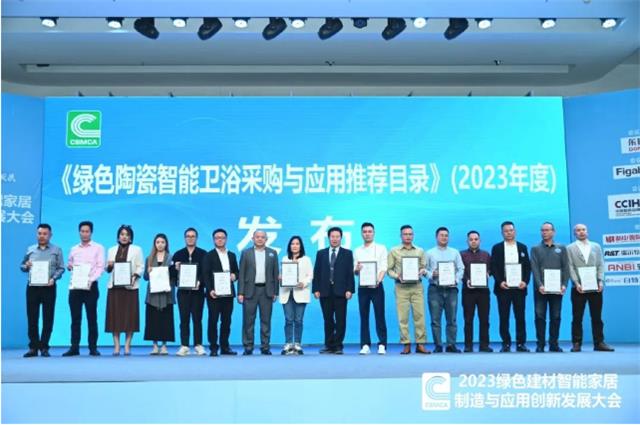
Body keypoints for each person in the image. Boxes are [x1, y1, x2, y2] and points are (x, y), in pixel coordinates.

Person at [566, 224, 614, 352]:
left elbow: (600, 264)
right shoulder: (569, 248)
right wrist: (576, 283)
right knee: (577, 317)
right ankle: (576, 343)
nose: (581, 232)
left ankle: (599, 342)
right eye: (578, 230)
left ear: (587, 231)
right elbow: (570, 267)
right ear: (574, 233)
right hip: (578, 288)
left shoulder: (596, 246)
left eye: (583, 230)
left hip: (595, 287)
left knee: (597, 316)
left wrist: (601, 281)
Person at [20, 223, 65, 357]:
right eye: (39, 233)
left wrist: (53, 279)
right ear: (37, 234)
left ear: (50, 235)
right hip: (33, 287)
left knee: (48, 317)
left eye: (45, 234)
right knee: (32, 317)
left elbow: (61, 268)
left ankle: (44, 346)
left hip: (49, 287)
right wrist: (26, 265)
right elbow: (22, 266)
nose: (42, 236)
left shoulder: (56, 250)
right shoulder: (30, 249)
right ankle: (33, 347)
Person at [63, 221, 105, 357]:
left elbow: (100, 267)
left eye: (87, 231)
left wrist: (90, 280)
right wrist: (69, 266)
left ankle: (93, 347)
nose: (84, 234)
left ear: (91, 232)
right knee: (75, 319)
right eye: (82, 231)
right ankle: (74, 347)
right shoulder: (74, 248)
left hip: (91, 287)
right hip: (75, 287)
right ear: (79, 232)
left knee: (92, 318)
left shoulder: (98, 248)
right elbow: (70, 263)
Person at [387, 225, 430, 355]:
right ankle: (406, 344)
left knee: (420, 316)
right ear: (401, 236)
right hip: (401, 287)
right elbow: (389, 270)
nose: (408, 236)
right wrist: (397, 276)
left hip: (417, 287)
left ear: (413, 235)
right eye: (405, 234)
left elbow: (424, 267)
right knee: (403, 317)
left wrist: (422, 271)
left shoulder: (420, 251)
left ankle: (420, 344)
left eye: (410, 234)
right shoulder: (394, 251)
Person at [490, 221, 532, 353]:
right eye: (506, 231)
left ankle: (521, 343)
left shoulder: (522, 247)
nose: (509, 233)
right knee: (504, 317)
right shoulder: (497, 248)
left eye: (511, 230)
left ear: (515, 231)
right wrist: (500, 282)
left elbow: (527, 267)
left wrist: (525, 282)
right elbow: (494, 267)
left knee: (520, 317)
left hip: (519, 288)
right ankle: (506, 343)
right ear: (502, 233)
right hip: (503, 288)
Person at [313, 227, 355, 355]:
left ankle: (338, 345)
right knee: (328, 319)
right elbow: (317, 272)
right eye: (332, 236)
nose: (335, 239)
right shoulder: (321, 253)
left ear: (341, 238)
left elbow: (350, 273)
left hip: (341, 291)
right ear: (328, 238)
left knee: (341, 320)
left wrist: (350, 289)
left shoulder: (347, 253)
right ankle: (329, 344)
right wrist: (316, 289)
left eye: (337, 236)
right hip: (325, 291)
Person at [238, 230, 279, 355]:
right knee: (248, 321)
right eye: (257, 237)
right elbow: (241, 274)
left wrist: (275, 292)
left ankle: (265, 346)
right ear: (252, 238)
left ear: (266, 239)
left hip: (267, 291)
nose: (260, 239)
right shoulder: (246, 253)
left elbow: (275, 273)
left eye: (262, 237)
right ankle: (248, 346)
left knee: (266, 320)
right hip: (249, 291)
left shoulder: (272, 253)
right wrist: (240, 292)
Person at [530, 222, 570, 353]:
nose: (544, 232)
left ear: (553, 232)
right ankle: (540, 344)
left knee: (556, 316)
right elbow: (534, 269)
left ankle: (554, 344)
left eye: (547, 230)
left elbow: (566, 268)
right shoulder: (535, 249)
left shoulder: (561, 248)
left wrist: (564, 284)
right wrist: (539, 285)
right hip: (540, 289)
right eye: (542, 230)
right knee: (539, 316)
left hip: (557, 289)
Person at [105, 225, 144, 356]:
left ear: (131, 238)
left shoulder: (137, 250)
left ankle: (127, 345)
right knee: (114, 317)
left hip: (130, 288)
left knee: (130, 317)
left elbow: (140, 266)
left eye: (127, 235)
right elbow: (108, 269)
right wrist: (109, 266)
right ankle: (116, 346)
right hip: (114, 288)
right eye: (122, 234)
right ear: (118, 236)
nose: (124, 237)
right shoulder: (111, 250)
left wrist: (134, 276)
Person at [202, 228, 240, 356]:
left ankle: (225, 346)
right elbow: (206, 275)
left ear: (226, 239)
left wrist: (235, 276)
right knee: (213, 320)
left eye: (222, 238)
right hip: (214, 294)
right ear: (213, 240)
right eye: (217, 238)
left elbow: (237, 271)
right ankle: (213, 347)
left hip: (228, 293)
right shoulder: (208, 255)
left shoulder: (232, 255)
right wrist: (210, 290)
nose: (220, 240)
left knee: (226, 321)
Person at [426, 227, 464, 353]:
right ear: (436, 237)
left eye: (446, 235)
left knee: (452, 319)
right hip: (435, 289)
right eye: (441, 235)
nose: (444, 237)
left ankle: (451, 344)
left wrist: (456, 280)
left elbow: (461, 269)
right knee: (435, 319)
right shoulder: (429, 253)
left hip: (451, 289)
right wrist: (432, 274)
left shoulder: (455, 252)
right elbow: (423, 269)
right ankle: (438, 345)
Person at [353, 222, 388, 355]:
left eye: (369, 231)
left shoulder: (381, 248)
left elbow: (384, 267)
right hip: (363, 287)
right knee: (364, 316)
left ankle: (382, 344)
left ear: (374, 233)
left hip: (377, 286)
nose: (367, 234)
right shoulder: (357, 250)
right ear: (361, 234)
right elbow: (355, 271)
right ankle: (365, 344)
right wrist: (356, 269)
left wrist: (377, 281)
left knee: (380, 315)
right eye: (364, 231)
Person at [173, 228, 207, 356]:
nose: (190, 238)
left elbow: (206, 272)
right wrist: (175, 268)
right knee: (184, 318)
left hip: (198, 292)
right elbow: (171, 274)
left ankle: (198, 345)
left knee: (197, 318)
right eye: (188, 236)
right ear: (185, 238)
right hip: (183, 292)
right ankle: (184, 345)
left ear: (196, 238)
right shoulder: (178, 254)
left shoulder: (203, 254)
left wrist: (200, 282)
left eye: (193, 236)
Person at [143, 233, 176, 355]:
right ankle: (155, 346)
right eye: (158, 242)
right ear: (154, 244)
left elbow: (174, 276)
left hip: (166, 294)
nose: (160, 244)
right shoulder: (149, 258)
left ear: (166, 244)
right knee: (153, 320)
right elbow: (145, 277)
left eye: (162, 242)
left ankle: (164, 346)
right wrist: (148, 271)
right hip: (153, 295)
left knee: (166, 320)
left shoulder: (171, 258)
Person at [279, 236, 312, 355]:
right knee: (288, 319)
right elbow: (281, 274)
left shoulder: (306, 259)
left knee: (298, 320)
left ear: (301, 246)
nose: (295, 246)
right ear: (289, 246)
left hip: (301, 292)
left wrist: (304, 283)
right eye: (292, 244)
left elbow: (310, 275)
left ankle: (297, 344)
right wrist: (280, 277)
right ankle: (288, 344)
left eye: (297, 244)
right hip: (286, 292)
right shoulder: (284, 258)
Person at [460, 230, 492, 352]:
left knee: (484, 319)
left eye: (476, 239)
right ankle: (468, 345)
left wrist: (488, 273)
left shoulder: (486, 254)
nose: (473, 241)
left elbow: (491, 269)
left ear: (480, 241)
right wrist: (466, 280)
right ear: (467, 241)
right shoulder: (462, 255)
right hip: (468, 291)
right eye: (471, 239)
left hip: (483, 292)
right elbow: (460, 271)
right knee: (468, 319)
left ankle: (484, 345)